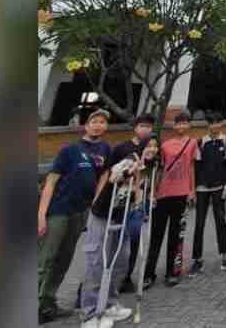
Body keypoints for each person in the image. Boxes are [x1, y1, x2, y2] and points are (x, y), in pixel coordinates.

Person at [38, 109, 111, 325]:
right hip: (58, 212)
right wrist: (41, 215)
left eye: (102, 122)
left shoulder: (105, 149)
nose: (98, 125)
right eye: (94, 121)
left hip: (80, 213)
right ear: (86, 125)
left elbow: (105, 175)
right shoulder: (70, 150)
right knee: (45, 260)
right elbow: (50, 182)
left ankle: (47, 303)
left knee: (63, 261)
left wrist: (95, 202)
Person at [80, 137, 158, 328]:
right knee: (97, 263)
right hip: (102, 216)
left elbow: (138, 192)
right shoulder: (130, 159)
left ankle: (109, 304)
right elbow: (114, 177)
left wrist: (143, 201)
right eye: (149, 146)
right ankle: (90, 313)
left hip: (120, 216)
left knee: (121, 261)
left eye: (156, 147)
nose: (152, 150)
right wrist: (126, 172)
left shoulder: (148, 168)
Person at [143, 112, 197, 289]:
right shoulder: (165, 145)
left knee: (176, 236)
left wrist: (191, 190)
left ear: (189, 125)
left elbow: (191, 167)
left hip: (181, 194)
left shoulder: (192, 143)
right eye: (178, 124)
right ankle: (148, 273)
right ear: (174, 126)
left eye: (184, 123)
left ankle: (172, 272)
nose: (181, 126)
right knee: (156, 235)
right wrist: (153, 192)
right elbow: (159, 169)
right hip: (163, 193)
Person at [111, 114, 155, 292]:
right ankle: (108, 276)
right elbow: (112, 173)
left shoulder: (152, 149)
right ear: (135, 127)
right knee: (117, 240)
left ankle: (126, 275)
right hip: (121, 200)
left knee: (135, 238)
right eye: (142, 126)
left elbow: (153, 174)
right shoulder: (122, 147)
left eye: (149, 127)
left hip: (140, 199)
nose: (146, 129)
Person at [189, 114, 226, 277]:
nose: (215, 125)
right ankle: (197, 259)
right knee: (199, 223)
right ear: (208, 125)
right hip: (202, 188)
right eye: (212, 123)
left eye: (217, 122)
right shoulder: (201, 142)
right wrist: (194, 188)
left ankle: (225, 256)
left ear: (221, 124)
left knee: (221, 221)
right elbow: (197, 166)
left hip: (219, 187)